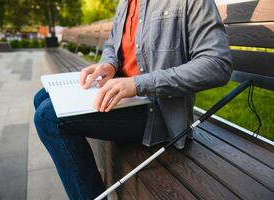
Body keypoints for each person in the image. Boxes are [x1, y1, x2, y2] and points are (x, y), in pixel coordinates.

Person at [34, 0, 232, 199]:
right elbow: (112, 44)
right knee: (42, 97)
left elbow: (217, 64)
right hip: (124, 95)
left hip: (158, 111)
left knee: (48, 117)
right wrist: (109, 65)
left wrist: (138, 84)